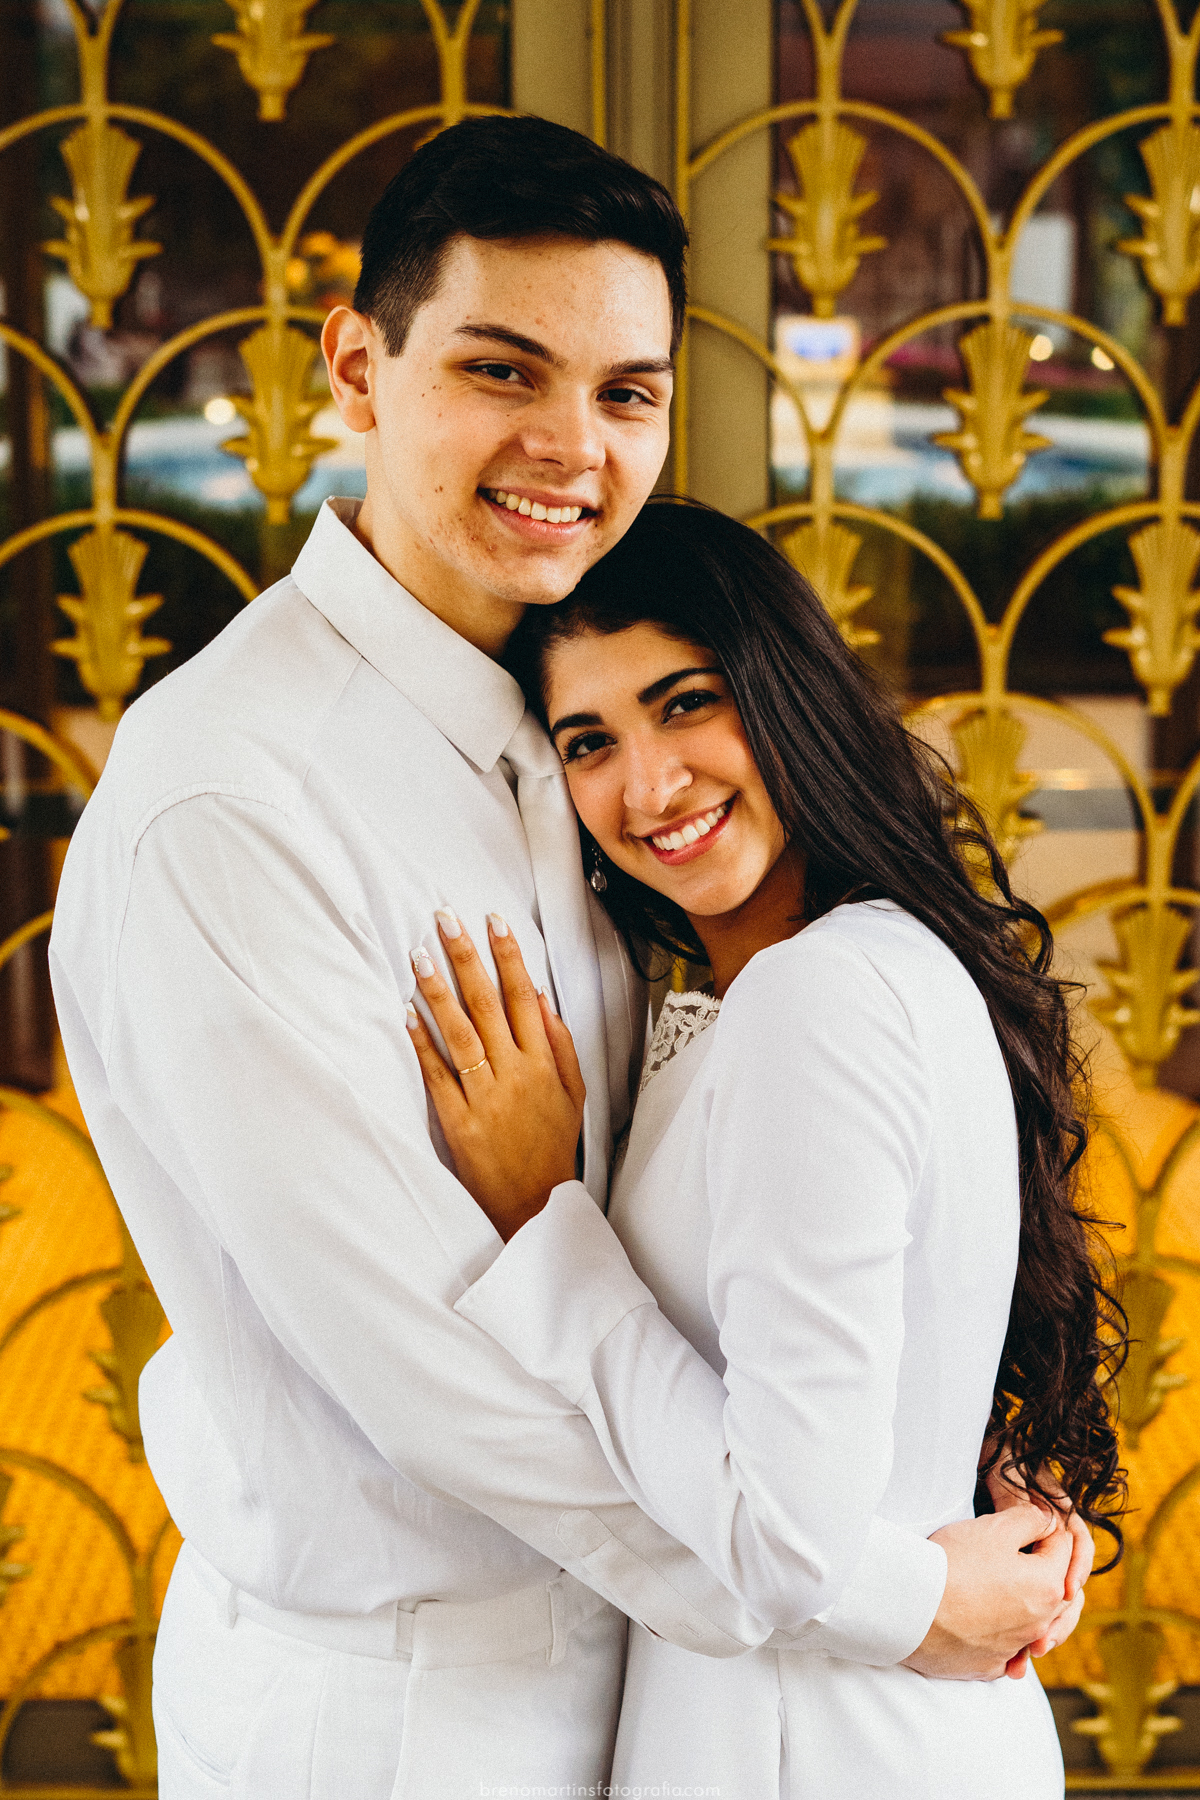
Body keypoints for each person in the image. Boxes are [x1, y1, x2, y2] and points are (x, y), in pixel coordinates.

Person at [50, 119, 1085, 1800]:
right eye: (501, 370)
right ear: (357, 369)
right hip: (405, 1712)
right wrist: (880, 1593)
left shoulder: (577, 719)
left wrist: (940, 1471)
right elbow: (434, 1375)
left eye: (628, 392)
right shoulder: (232, 800)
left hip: (663, 1672)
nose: (572, 447)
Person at [405, 499, 1125, 1799]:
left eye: (687, 704)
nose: (649, 787)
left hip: (818, 1750)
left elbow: (786, 1536)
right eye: (589, 741)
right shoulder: (857, 966)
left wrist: (544, 1226)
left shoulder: (816, 996)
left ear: (785, 692)